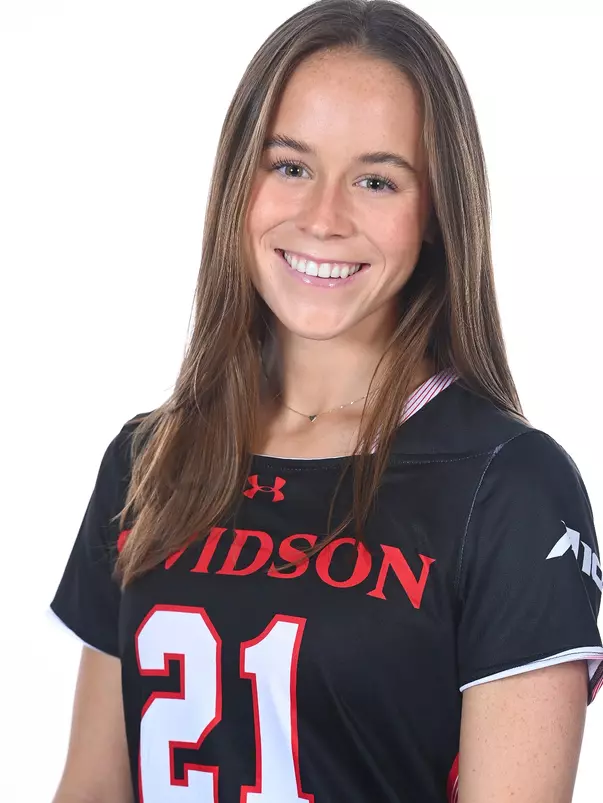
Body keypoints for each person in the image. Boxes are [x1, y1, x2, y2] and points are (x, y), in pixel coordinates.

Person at [50, 1, 603, 801]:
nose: (322, 218)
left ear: (436, 213)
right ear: (242, 180)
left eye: (376, 180)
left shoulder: (509, 486)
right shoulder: (148, 459)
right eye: (290, 165)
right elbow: (91, 787)